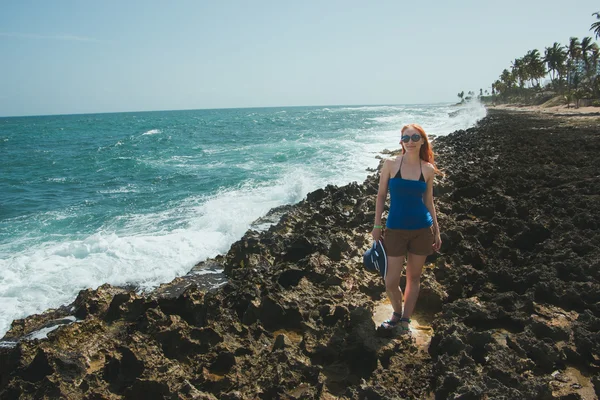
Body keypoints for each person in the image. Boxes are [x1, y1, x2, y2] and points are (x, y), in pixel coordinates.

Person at [371, 123, 442, 334]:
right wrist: (377, 225)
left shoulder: (427, 169)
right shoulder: (391, 164)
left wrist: (437, 231)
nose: (410, 141)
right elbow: (381, 195)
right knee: (390, 280)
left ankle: (405, 320)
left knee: (414, 278)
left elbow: (429, 202)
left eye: (414, 137)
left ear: (422, 141)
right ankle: (396, 312)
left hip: (422, 229)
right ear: (401, 141)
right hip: (394, 229)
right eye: (405, 138)